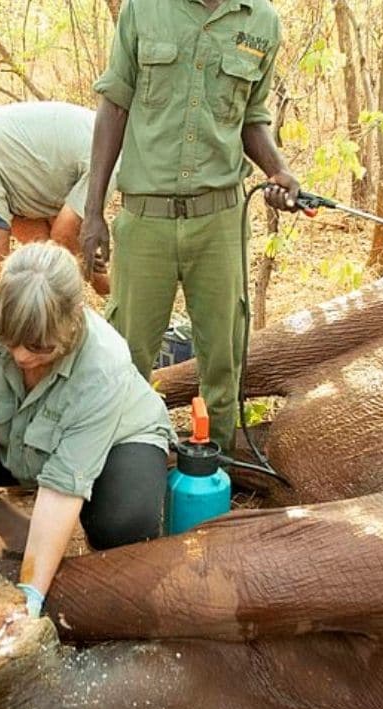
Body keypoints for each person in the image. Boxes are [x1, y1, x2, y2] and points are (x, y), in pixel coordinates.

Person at [0, 243, 175, 617]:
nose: (22, 357)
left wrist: (31, 588)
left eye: (38, 347)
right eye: (9, 342)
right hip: (17, 438)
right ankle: (18, 531)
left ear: (72, 323)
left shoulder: (103, 364)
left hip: (117, 438)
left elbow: (62, 485)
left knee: (122, 525)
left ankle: (80, 566)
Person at [80, 0, 301, 451]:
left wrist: (279, 170)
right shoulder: (144, 10)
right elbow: (115, 105)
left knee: (223, 358)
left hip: (219, 220)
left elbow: (252, 118)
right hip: (146, 220)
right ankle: (122, 465)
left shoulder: (261, 21)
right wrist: (93, 211)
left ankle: (215, 470)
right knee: (126, 356)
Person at [0, 101, 114, 311]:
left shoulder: (107, 131)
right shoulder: (112, 158)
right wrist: (101, 281)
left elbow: (57, 233)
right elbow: (65, 233)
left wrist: (90, 267)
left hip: (5, 165)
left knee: (45, 270)